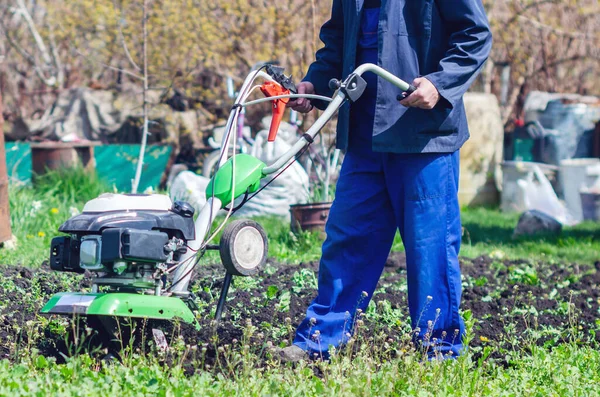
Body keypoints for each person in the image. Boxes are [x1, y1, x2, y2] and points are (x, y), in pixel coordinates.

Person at [281, 0, 493, 361]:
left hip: (423, 136)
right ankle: (319, 343)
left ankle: (439, 351)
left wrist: (440, 84)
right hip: (364, 136)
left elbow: (475, 34)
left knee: (430, 251)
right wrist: (312, 82)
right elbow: (338, 40)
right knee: (347, 243)